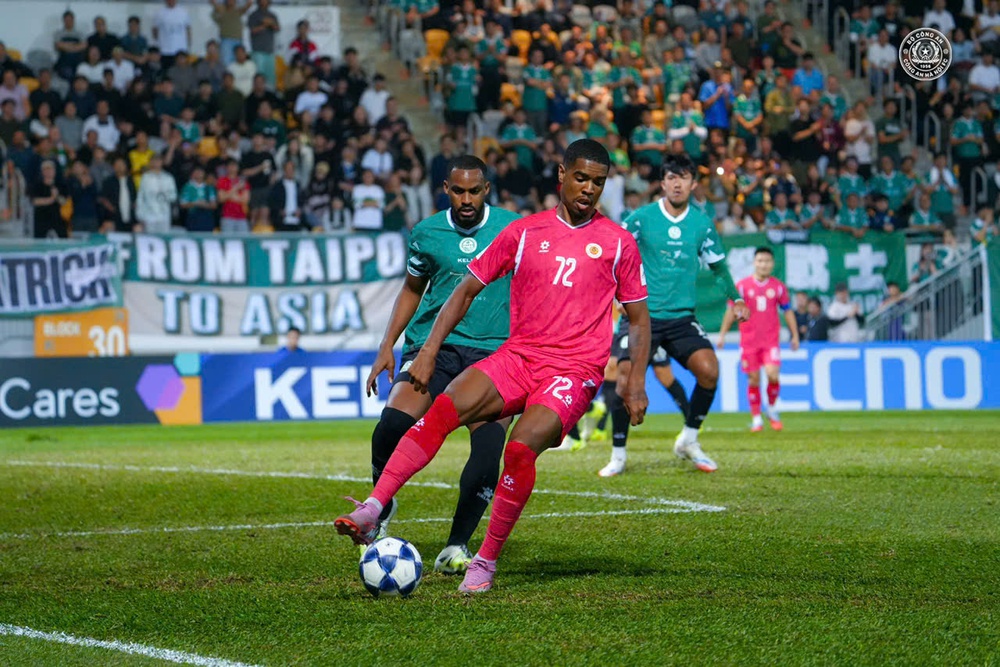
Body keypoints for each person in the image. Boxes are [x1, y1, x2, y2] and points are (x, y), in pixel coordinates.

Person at [335, 140, 651, 595]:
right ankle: (372, 509)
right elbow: (464, 290)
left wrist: (634, 380)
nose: (588, 189)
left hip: (572, 370)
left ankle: (484, 560)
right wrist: (427, 349)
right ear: (561, 175)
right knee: (442, 410)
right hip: (518, 355)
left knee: (519, 450)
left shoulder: (618, 243)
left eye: (597, 182)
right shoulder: (524, 232)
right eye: (581, 178)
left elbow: (639, 318)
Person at [362, 155, 520, 574]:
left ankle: (455, 546)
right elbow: (413, 289)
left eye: (474, 191)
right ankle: (381, 504)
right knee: (391, 425)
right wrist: (386, 345)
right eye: (458, 191)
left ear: (486, 190)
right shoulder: (427, 232)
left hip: (494, 352)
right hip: (434, 346)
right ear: (446, 189)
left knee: (488, 449)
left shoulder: (514, 228)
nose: (466, 200)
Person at [597, 153, 749, 478]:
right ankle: (618, 454)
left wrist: (735, 298)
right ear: (662, 183)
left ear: (693, 184)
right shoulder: (641, 219)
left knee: (709, 371)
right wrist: (618, 294)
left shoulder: (701, 224)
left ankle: (688, 439)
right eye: (671, 178)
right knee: (624, 381)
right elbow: (614, 255)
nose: (677, 184)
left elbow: (718, 267)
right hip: (642, 316)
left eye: (683, 178)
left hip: (681, 318)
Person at [717, 247, 800, 432]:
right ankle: (756, 418)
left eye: (767, 261)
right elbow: (731, 311)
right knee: (753, 379)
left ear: (772, 264)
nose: (764, 264)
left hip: (770, 341)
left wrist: (795, 335)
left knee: (772, 374)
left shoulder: (778, 287)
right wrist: (722, 335)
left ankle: (771, 409)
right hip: (749, 342)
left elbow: (787, 311)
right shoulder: (742, 286)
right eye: (760, 261)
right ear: (754, 263)